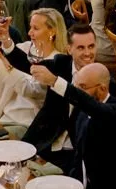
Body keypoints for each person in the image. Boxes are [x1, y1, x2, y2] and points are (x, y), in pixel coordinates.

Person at [20, 24, 104, 163]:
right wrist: (7, 43)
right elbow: (27, 65)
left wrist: (55, 82)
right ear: (69, 49)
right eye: (81, 48)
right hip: (47, 141)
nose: (88, 53)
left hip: (76, 153)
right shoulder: (60, 64)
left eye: (91, 46)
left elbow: (86, 103)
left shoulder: (103, 81)